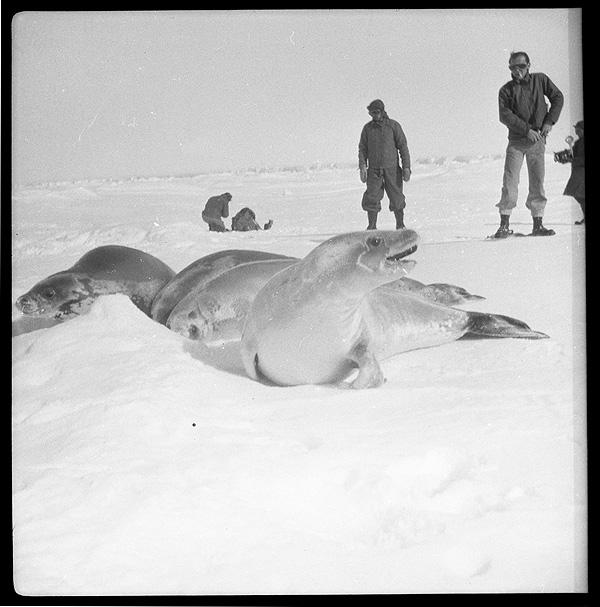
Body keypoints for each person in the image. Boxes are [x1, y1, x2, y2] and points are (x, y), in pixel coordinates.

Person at [492, 52, 564, 238]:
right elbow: (505, 115)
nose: (517, 71)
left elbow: (558, 97)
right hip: (516, 142)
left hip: (537, 142)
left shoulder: (540, 80)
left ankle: (538, 224)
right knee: (510, 182)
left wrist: (549, 122)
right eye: (513, 68)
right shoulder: (505, 90)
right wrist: (526, 130)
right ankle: (504, 225)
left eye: (521, 67)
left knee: (537, 182)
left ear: (528, 65)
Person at [358, 99, 411, 230]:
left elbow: (403, 147)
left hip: (392, 170)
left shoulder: (393, 126)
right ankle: (372, 227)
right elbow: (362, 149)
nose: (373, 115)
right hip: (374, 172)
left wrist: (406, 167)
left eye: (376, 112)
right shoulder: (367, 129)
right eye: (371, 113)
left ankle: (400, 225)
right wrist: (363, 167)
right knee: (372, 197)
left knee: (396, 197)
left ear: (382, 112)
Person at [560, 120, 585, 225]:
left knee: (580, 194)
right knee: (579, 195)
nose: (576, 131)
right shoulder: (579, 142)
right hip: (577, 173)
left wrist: (572, 160)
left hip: (581, 173)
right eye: (576, 129)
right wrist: (563, 156)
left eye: (578, 129)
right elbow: (572, 155)